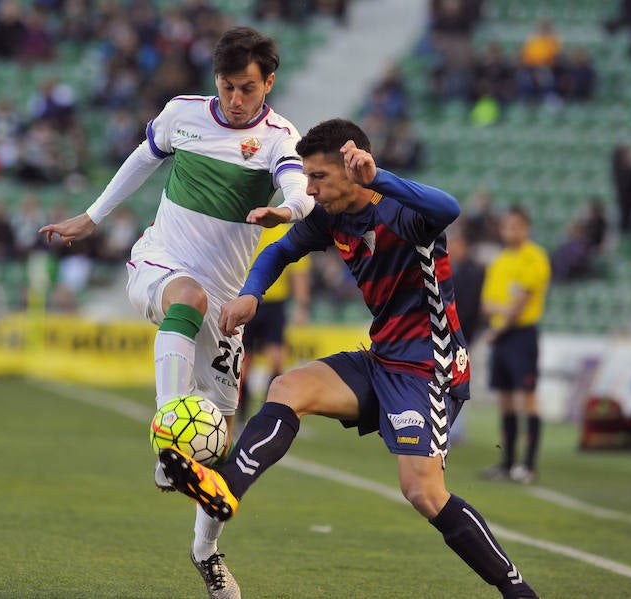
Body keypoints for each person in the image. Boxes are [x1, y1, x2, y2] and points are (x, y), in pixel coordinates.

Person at [158, 119, 539, 599]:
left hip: (430, 366)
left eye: (318, 177)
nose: (310, 189)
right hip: (381, 358)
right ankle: (225, 487)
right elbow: (279, 254)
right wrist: (252, 294)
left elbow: (450, 207)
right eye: (307, 178)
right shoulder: (328, 215)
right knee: (287, 388)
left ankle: (518, 592)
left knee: (423, 492)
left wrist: (377, 177)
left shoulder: (401, 210)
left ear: (352, 168)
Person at [39, 27, 313, 599]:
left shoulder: (278, 136)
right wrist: (92, 217)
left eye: (247, 88)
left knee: (222, 448)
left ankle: (205, 553)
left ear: (269, 83)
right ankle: (168, 438)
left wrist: (286, 210)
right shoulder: (182, 115)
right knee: (186, 298)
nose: (236, 98)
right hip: (159, 264)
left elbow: (300, 187)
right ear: (215, 80)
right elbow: (143, 158)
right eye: (227, 85)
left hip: (226, 305)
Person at [479, 205, 551, 484]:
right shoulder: (499, 261)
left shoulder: (534, 257)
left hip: (521, 336)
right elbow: (487, 304)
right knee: (506, 400)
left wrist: (501, 324)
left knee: (528, 399)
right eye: (506, 225)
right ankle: (507, 463)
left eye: (516, 226)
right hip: (502, 336)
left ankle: (529, 466)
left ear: (526, 228)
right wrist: (502, 315)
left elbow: (520, 304)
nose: (510, 230)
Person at [238, 224, 310, 429]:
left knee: (277, 362)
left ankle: (269, 416)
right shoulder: (245, 230)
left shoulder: (285, 231)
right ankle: (240, 416)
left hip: (275, 306)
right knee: (244, 365)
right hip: (247, 300)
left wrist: (301, 305)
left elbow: (299, 271)